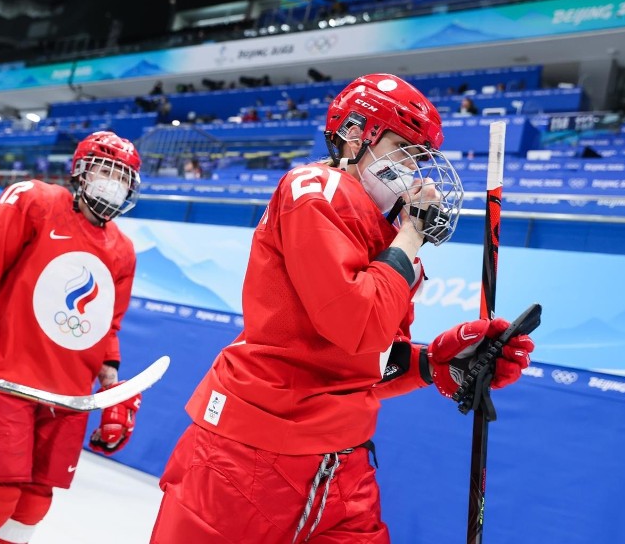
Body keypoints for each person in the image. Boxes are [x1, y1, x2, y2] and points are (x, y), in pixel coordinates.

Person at [150, 74, 534, 543]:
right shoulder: (317, 188)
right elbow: (356, 323)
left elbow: (363, 362)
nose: (412, 169)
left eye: (420, 156)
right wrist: (411, 238)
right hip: (251, 453)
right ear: (355, 134)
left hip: (342, 459)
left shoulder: (385, 232)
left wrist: (434, 363)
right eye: (401, 146)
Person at [0, 131, 144, 544]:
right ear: (80, 170)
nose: (111, 183)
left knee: (32, 505)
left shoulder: (123, 250)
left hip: (69, 394)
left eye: (122, 177)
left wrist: (111, 384)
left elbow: (106, 324)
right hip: (7, 377)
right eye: (103, 170)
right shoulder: (35, 200)